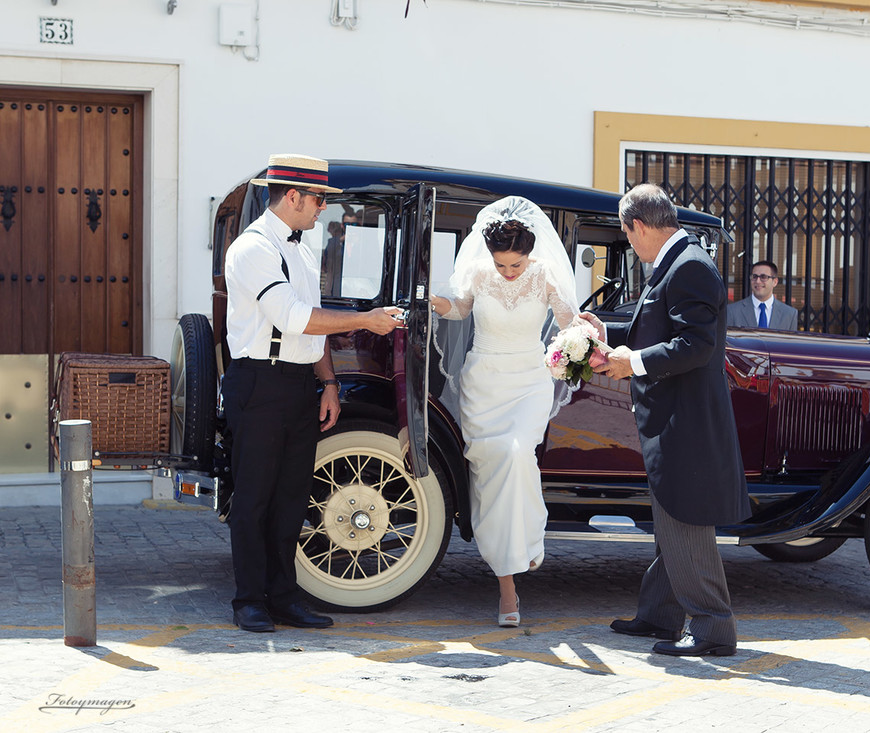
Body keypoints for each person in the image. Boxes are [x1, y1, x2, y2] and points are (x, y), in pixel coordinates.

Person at [222, 153, 402, 633]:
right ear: (293, 196)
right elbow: (293, 318)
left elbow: (313, 330)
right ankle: (249, 600)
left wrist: (327, 382)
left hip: (299, 383)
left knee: (292, 498)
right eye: (320, 199)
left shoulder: (300, 249)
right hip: (259, 382)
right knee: (254, 498)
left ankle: (283, 597)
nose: (324, 207)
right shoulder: (252, 248)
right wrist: (366, 319)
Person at [579, 184, 751, 657]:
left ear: (637, 226)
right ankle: (661, 615)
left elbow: (696, 346)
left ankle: (714, 627)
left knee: (685, 520)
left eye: (627, 235)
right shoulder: (678, 262)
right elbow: (656, 325)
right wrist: (606, 332)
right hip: (675, 417)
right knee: (669, 519)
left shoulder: (690, 265)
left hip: (686, 422)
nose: (630, 245)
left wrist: (629, 362)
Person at [430, 196, 578, 628]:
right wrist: (435, 302)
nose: (509, 272)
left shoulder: (546, 276)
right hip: (485, 381)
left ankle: (519, 562)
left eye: (516, 264)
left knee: (517, 454)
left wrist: (585, 332)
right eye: (502, 265)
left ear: (529, 254)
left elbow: (569, 322)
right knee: (493, 470)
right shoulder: (478, 272)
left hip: (529, 381)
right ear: (489, 255)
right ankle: (508, 575)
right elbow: (459, 310)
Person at [726, 260, 798, 330]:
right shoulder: (733, 311)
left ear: (775, 282)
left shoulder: (789, 314)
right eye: (754, 277)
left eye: (763, 277)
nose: (758, 281)